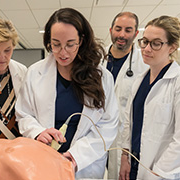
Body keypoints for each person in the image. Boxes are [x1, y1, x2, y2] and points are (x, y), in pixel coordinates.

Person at [15, 8, 119, 179]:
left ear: (82, 40)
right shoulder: (35, 72)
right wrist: (37, 132)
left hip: (85, 164)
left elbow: (108, 125)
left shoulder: (101, 77)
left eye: (70, 44)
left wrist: (76, 156)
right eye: (56, 44)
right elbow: (24, 114)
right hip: (45, 160)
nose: (63, 52)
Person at [119, 16, 180, 180]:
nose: (147, 49)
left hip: (166, 172)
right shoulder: (139, 80)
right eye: (144, 41)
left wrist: (156, 174)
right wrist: (124, 155)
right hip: (136, 163)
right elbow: (130, 123)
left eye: (156, 43)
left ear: (172, 47)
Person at [105, 12, 148, 179]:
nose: (122, 34)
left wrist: (127, 151)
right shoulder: (95, 59)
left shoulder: (143, 64)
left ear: (136, 34)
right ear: (111, 30)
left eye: (128, 30)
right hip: (96, 131)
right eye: (118, 29)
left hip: (124, 136)